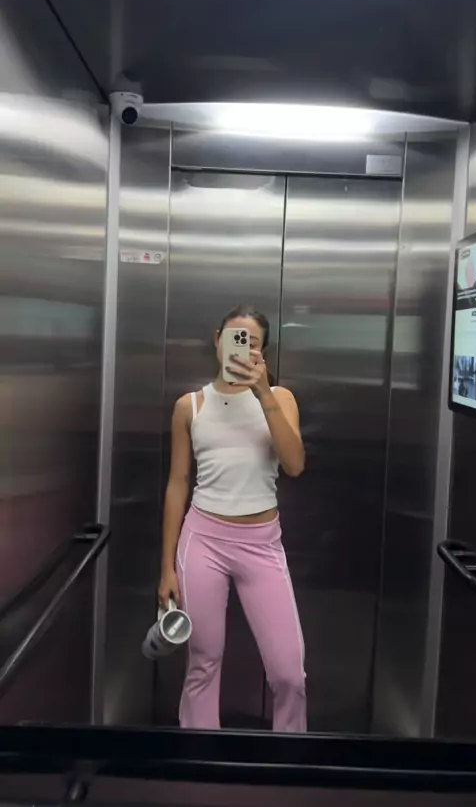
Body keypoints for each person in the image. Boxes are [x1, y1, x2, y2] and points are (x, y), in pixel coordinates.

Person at [158, 305, 306, 732]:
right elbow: (177, 484)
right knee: (203, 663)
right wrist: (166, 568)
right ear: (216, 341)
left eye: (251, 343)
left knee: (289, 673)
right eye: (233, 339)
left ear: (263, 352)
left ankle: (292, 756)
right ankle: (199, 755)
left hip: (262, 543)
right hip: (202, 540)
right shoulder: (189, 406)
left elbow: (295, 465)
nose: (241, 349)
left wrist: (263, 394)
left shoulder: (280, 399)